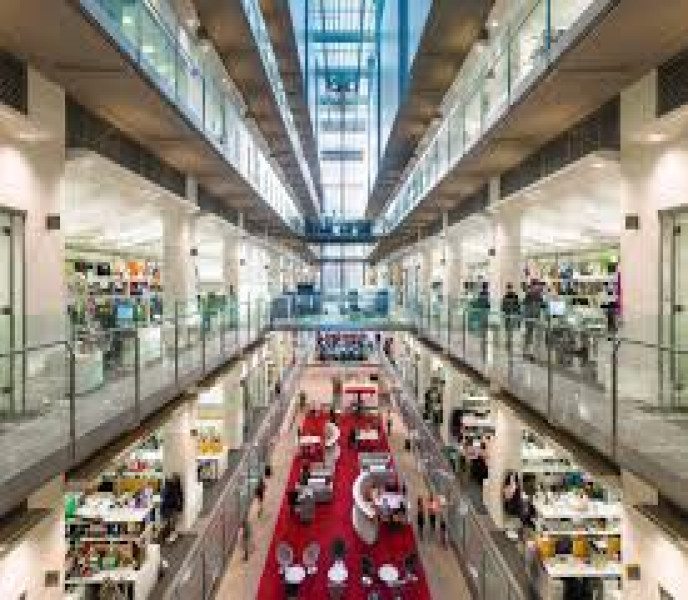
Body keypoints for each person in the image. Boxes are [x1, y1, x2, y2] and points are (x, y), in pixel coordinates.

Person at [501, 282, 521, 351]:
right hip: (508, 315)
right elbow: (503, 307)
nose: (509, 289)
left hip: (511, 315)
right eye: (508, 288)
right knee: (508, 329)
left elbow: (517, 306)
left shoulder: (512, 296)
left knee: (510, 329)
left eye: (509, 288)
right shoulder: (507, 296)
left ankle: (509, 341)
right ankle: (508, 341)